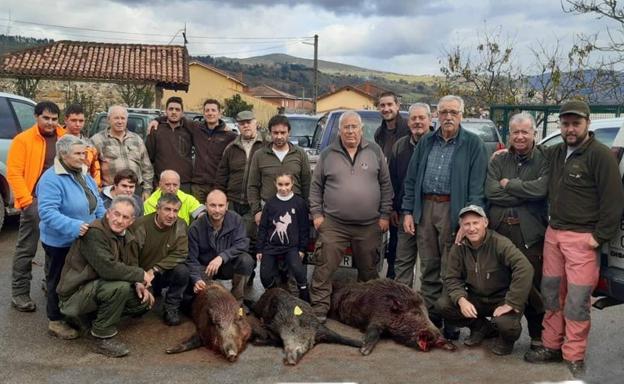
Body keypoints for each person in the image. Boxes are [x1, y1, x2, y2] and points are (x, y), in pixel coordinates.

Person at [524, 100, 624, 378]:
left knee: (578, 301)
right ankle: (551, 345)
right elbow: (533, 152)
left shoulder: (600, 156)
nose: (570, 129)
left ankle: (574, 354)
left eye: (575, 123)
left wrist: (599, 237)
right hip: (554, 235)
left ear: (587, 123)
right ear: (560, 125)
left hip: (583, 239)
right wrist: (503, 155)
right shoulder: (556, 153)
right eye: (565, 123)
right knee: (552, 295)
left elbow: (614, 202)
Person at [401, 95, 488, 337]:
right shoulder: (427, 142)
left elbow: (477, 188)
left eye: (453, 112)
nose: (448, 117)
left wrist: (468, 221)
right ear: (437, 116)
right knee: (428, 267)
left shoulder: (473, 144)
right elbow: (410, 181)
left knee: (451, 269)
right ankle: (431, 321)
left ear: (461, 115)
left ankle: (451, 322)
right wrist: (408, 211)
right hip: (426, 208)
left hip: (454, 211)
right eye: (444, 112)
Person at [309, 111, 393, 321]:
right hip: (334, 224)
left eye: (354, 127)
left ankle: (366, 311)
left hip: (369, 225)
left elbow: (386, 185)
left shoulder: (374, 151)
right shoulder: (327, 154)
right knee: (324, 268)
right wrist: (317, 214)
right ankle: (319, 309)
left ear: (361, 129)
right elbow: (316, 186)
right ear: (340, 131)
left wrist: (384, 215)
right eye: (346, 127)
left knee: (369, 272)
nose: (350, 131)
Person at [56, 196, 155, 358]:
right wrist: (140, 274)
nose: (119, 220)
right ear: (108, 213)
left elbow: (131, 262)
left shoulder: (127, 235)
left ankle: (92, 319)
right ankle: (101, 336)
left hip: (97, 289)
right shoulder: (94, 233)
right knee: (119, 287)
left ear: (131, 221)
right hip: (74, 296)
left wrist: (139, 283)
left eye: (125, 217)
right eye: (116, 214)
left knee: (141, 303)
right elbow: (107, 269)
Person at [485, 112, 548, 351]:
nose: (520, 136)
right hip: (500, 231)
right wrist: (524, 194)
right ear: (509, 135)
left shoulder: (543, 159)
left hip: (530, 235)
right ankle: (505, 335)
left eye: (525, 132)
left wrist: (509, 185)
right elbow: (491, 191)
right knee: (503, 284)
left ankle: (537, 336)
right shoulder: (498, 160)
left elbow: (541, 190)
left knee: (532, 285)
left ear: (534, 133)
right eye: (515, 132)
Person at [436, 205, 533, 356]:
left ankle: (506, 340)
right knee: (444, 305)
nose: (472, 228)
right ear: (461, 227)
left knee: (506, 325)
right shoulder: (458, 248)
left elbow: (525, 268)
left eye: (476, 223)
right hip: (477, 298)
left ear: (485, 223)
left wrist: (511, 302)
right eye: (467, 224)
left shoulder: (500, 243)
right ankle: (480, 327)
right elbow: (452, 278)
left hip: (501, 299)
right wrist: (461, 300)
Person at [37, 135, 106, 339]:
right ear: (63, 154)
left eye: (84, 153)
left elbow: (97, 201)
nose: (83, 157)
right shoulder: (51, 179)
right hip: (60, 241)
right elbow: (47, 212)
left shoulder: (83, 173)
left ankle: (72, 313)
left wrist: (103, 222)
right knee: (57, 280)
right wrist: (75, 226)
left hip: (83, 239)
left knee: (78, 279)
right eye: (78, 153)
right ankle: (55, 320)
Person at [7, 100, 65, 312]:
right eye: (46, 118)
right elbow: (14, 172)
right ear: (36, 117)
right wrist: (27, 201)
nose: (50, 122)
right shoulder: (23, 140)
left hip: (58, 202)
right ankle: (20, 292)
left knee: (55, 247)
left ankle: (49, 285)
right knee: (27, 248)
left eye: (54, 119)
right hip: (34, 201)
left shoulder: (64, 138)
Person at [186, 189, 254, 302]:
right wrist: (196, 279)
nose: (217, 210)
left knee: (246, 260)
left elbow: (243, 243)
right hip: (206, 268)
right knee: (203, 299)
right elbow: (191, 259)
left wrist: (222, 257)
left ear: (227, 205)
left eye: (221, 205)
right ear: (206, 206)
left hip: (228, 265)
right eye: (213, 205)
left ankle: (238, 300)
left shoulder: (236, 219)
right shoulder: (195, 228)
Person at [390, 103, 432, 287]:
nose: (417, 122)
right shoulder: (400, 146)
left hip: (430, 214)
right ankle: (403, 306)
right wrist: (392, 208)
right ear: (408, 123)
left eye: (421, 118)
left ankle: (425, 309)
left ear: (430, 120)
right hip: (404, 214)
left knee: (430, 265)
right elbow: (392, 179)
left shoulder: (437, 145)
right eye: (413, 118)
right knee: (403, 262)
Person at [133, 193, 189, 326]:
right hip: (142, 273)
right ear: (157, 209)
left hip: (163, 271)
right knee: (137, 311)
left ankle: (171, 307)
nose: (171, 215)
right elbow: (131, 257)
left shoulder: (181, 225)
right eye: (167, 209)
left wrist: (155, 269)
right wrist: (139, 277)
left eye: (175, 210)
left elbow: (181, 253)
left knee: (182, 271)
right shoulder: (140, 225)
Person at [217, 110, 267, 255]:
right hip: (233, 201)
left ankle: (247, 275)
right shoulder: (231, 147)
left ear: (255, 123)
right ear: (237, 126)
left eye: (249, 122)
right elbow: (222, 174)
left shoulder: (266, 145)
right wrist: (222, 198)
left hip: (254, 202)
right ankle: (237, 273)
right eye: (242, 123)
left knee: (250, 240)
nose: (246, 126)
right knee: (233, 238)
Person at [247, 114, 311, 227]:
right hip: (268, 211)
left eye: (283, 132)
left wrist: (306, 210)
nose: (279, 136)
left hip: (295, 211)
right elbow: (252, 186)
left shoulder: (300, 154)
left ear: (289, 132)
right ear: (270, 133)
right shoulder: (259, 155)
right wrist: (257, 211)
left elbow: (307, 185)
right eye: (275, 133)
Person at [256, 173, 310, 302]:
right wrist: (259, 249)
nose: (284, 188)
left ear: (292, 184)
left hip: (291, 247)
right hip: (271, 246)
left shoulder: (299, 203)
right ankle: (276, 295)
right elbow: (263, 227)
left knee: (298, 270)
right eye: (280, 184)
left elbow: (304, 228)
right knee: (265, 275)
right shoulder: (270, 203)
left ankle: (305, 297)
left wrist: (302, 249)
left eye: (287, 184)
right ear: (275, 184)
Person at [374, 91, 410, 279]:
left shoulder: (409, 130)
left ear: (397, 106)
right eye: (382, 105)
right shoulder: (379, 134)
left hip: (407, 197)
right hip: (389, 195)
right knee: (394, 244)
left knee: (406, 249)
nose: (386, 109)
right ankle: (390, 282)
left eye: (390, 104)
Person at [91, 105, 154, 200]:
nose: (120, 121)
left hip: (135, 191)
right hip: (110, 193)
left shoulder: (137, 139)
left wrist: (147, 190)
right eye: (116, 118)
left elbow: (147, 168)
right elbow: (90, 169)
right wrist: (97, 190)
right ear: (108, 120)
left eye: (123, 118)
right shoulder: (97, 140)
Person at [189, 99, 237, 203]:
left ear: (219, 113)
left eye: (213, 110)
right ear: (203, 113)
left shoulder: (229, 135)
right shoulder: (196, 129)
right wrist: (157, 120)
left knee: (216, 216)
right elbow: (178, 118)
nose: (210, 113)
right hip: (198, 185)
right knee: (196, 216)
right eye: (207, 110)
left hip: (217, 185)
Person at [145, 96, 193, 193]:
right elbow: (148, 159)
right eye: (171, 109)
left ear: (182, 113)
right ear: (166, 111)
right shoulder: (156, 130)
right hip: (162, 183)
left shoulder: (190, 130)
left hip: (184, 184)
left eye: (177, 109)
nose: (174, 112)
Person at [63, 104, 101, 186]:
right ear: (66, 120)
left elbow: (96, 171)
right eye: (73, 120)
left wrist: (95, 189)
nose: (78, 124)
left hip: (84, 188)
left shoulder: (90, 146)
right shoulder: (56, 141)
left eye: (81, 121)